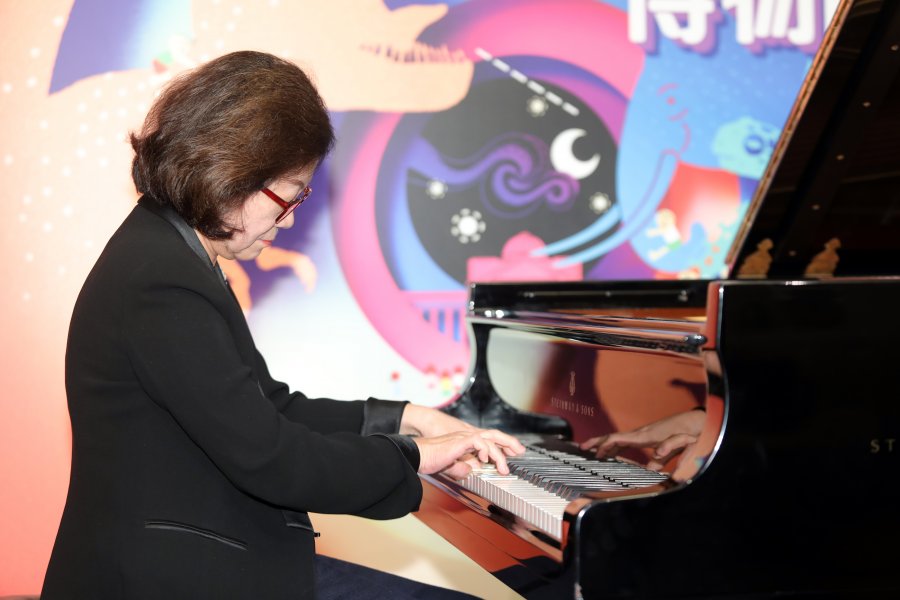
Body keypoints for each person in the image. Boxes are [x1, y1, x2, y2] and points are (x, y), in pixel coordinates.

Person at [41, 51, 524, 600]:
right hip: (168, 578)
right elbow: (273, 459)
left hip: (203, 562)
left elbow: (271, 408)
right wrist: (413, 456)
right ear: (231, 173)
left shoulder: (169, 254)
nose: (289, 219)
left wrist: (408, 419)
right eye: (289, 196)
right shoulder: (162, 282)